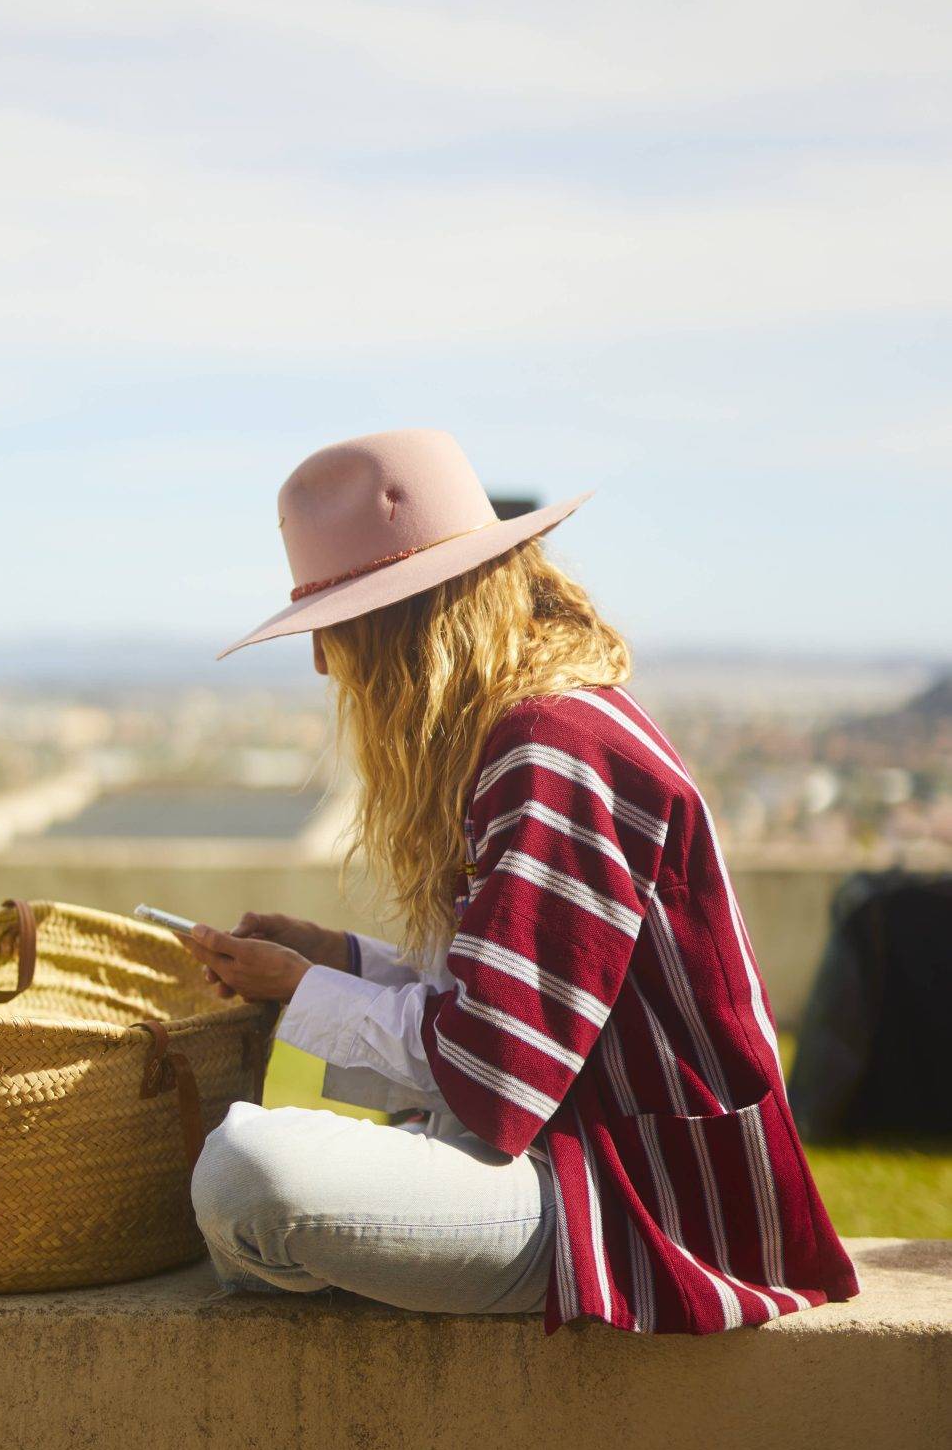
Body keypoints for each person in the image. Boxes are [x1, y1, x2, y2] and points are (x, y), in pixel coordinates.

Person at [181, 428, 858, 1335]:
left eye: (335, 627)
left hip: (637, 1209)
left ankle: (278, 1258)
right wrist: (336, 958)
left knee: (243, 1176)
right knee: (241, 1175)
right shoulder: (533, 735)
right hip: (573, 1163)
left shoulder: (554, 753)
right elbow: (506, 1017)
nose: (319, 662)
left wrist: (303, 990)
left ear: (404, 621)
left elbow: (494, 1081)